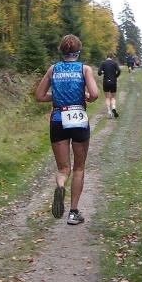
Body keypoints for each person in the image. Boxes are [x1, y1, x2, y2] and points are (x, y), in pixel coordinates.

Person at [35, 34, 99, 225]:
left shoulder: (53, 69)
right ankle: (73, 213)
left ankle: (60, 184)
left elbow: (39, 96)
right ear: (78, 51)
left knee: (64, 168)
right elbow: (95, 94)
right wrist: (87, 97)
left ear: (62, 51)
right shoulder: (84, 69)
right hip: (78, 117)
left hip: (58, 118)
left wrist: (56, 99)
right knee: (79, 167)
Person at [97, 53, 121, 118]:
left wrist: (103, 72)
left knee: (107, 98)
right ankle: (113, 106)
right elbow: (119, 70)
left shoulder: (103, 63)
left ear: (106, 57)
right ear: (112, 57)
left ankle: (109, 112)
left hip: (106, 81)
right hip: (113, 81)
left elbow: (99, 73)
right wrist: (116, 76)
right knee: (113, 97)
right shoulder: (115, 63)